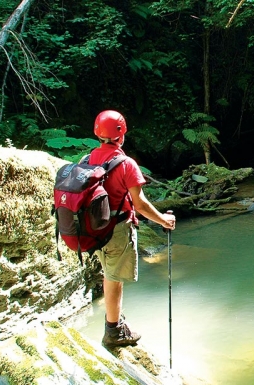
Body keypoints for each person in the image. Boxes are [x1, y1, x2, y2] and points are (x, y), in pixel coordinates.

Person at [88, 110, 176, 347]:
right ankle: (113, 331)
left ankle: (113, 319)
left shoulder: (87, 160)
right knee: (115, 278)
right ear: (121, 135)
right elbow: (140, 204)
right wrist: (163, 221)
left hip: (94, 230)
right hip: (117, 231)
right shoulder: (126, 164)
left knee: (109, 274)